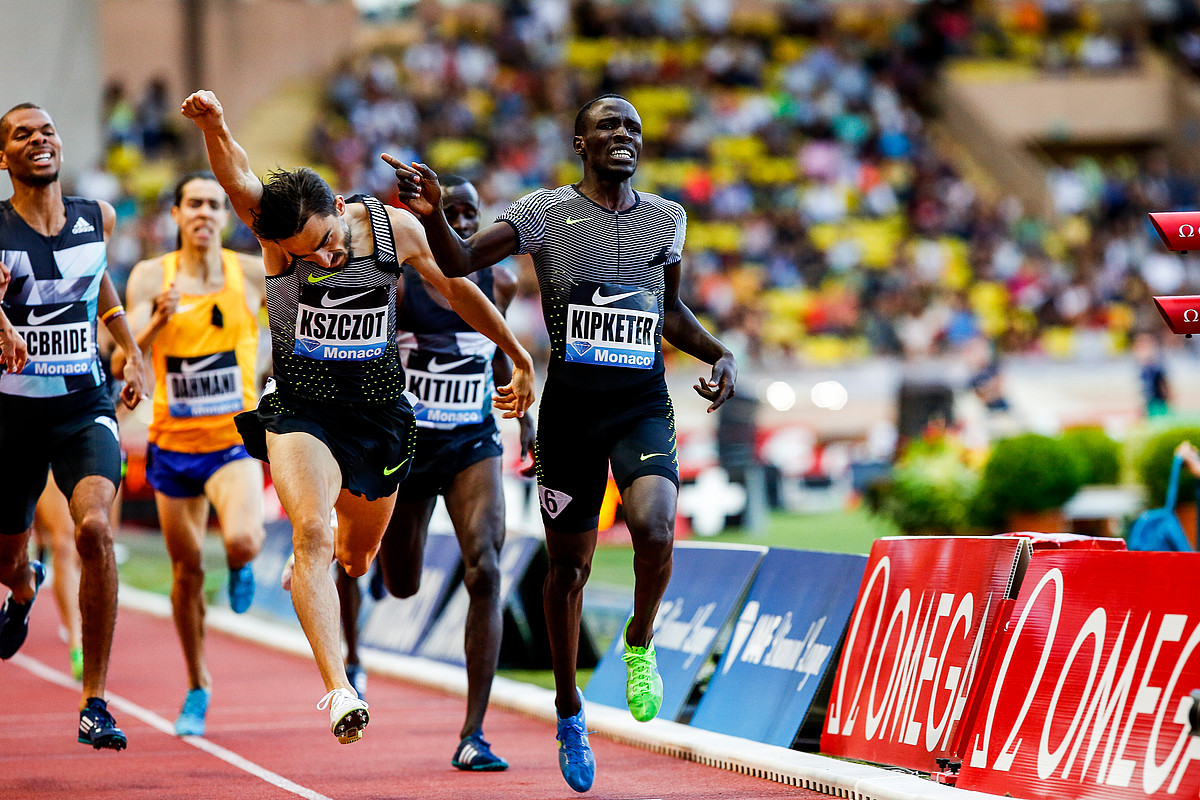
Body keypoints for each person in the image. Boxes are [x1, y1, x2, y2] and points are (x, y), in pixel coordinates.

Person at [389, 93, 737, 792]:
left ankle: (639, 641)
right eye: (608, 125)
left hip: (641, 405)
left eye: (634, 126)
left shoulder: (669, 218)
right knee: (566, 573)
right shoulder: (541, 213)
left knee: (657, 530)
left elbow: (669, 311)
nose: (624, 135)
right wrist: (432, 216)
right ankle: (569, 709)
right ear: (580, 142)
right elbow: (458, 263)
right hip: (571, 416)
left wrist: (719, 353)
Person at [180, 90, 535, 745]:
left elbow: (459, 292)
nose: (320, 259)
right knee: (312, 534)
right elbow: (237, 176)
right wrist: (215, 122)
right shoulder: (279, 236)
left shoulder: (395, 231)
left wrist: (517, 355)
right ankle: (340, 687)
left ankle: (330, 564)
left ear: (339, 210)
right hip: (303, 413)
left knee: (359, 556)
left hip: (379, 419)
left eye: (325, 244)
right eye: (303, 254)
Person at [336, 175, 535, 771]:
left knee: (487, 566)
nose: (465, 226)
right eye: (452, 213)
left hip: (473, 442)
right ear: (424, 220)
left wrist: (525, 421)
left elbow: (496, 346)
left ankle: (474, 733)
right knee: (402, 583)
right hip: (409, 446)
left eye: (471, 215)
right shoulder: (402, 281)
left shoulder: (497, 278)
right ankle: (359, 624)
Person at [0, 102, 148, 751]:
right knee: (8, 559)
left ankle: (96, 701)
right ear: (3, 157)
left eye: (48, 130)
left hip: (83, 404)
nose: (39, 140)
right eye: (21, 134)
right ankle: (24, 586)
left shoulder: (99, 217)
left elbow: (98, 281)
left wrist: (132, 347)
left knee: (93, 526)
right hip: (10, 417)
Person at [115, 171, 268, 736]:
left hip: (231, 442)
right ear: (176, 216)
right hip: (173, 447)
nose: (204, 212)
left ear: (226, 218)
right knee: (185, 572)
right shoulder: (151, 275)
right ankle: (198, 684)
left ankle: (241, 564)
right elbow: (119, 354)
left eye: (214, 204)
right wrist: (157, 317)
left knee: (243, 538)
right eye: (193, 204)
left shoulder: (249, 273)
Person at [33, 475, 83, 681]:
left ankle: (77, 613)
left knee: (94, 541)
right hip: (53, 454)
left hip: (99, 449)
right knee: (63, 545)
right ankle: (77, 643)